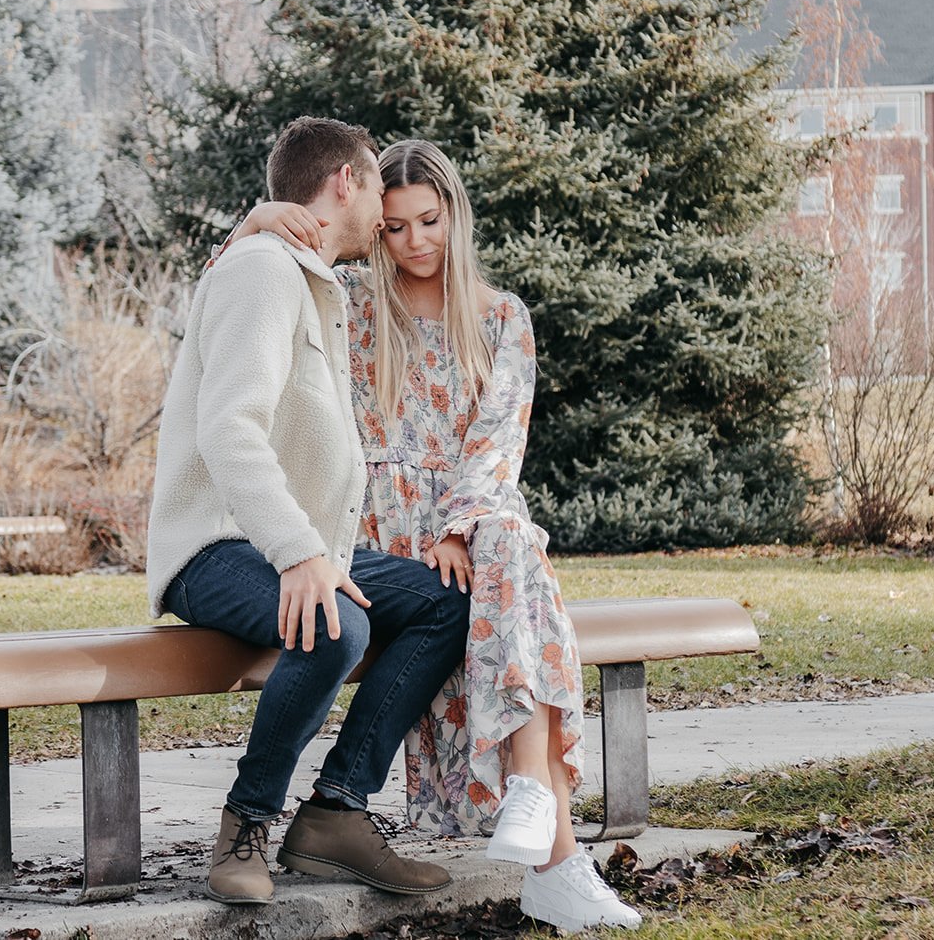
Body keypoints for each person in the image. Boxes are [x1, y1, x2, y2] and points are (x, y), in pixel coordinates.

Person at [228, 138, 642, 932]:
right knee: (519, 569)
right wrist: (256, 218)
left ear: (456, 213)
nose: (415, 242)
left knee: (509, 546)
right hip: (377, 533)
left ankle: (535, 811)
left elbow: (498, 442)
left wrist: (461, 526)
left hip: (471, 523)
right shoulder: (346, 300)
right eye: (393, 227)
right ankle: (553, 848)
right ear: (373, 229)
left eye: (429, 220)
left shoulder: (499, 317)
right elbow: (233, 288)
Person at [147, 117, 472, 907]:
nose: (386, 221)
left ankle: (335, 813)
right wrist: (300, 555)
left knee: (445, 601)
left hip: (297, 544)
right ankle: (246, 820)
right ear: (344, 183)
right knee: (339, 622)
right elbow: (229, 428)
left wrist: (308, 551)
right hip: (218, 546)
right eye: (378, 196)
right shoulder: (263, 270)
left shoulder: (298, 272)